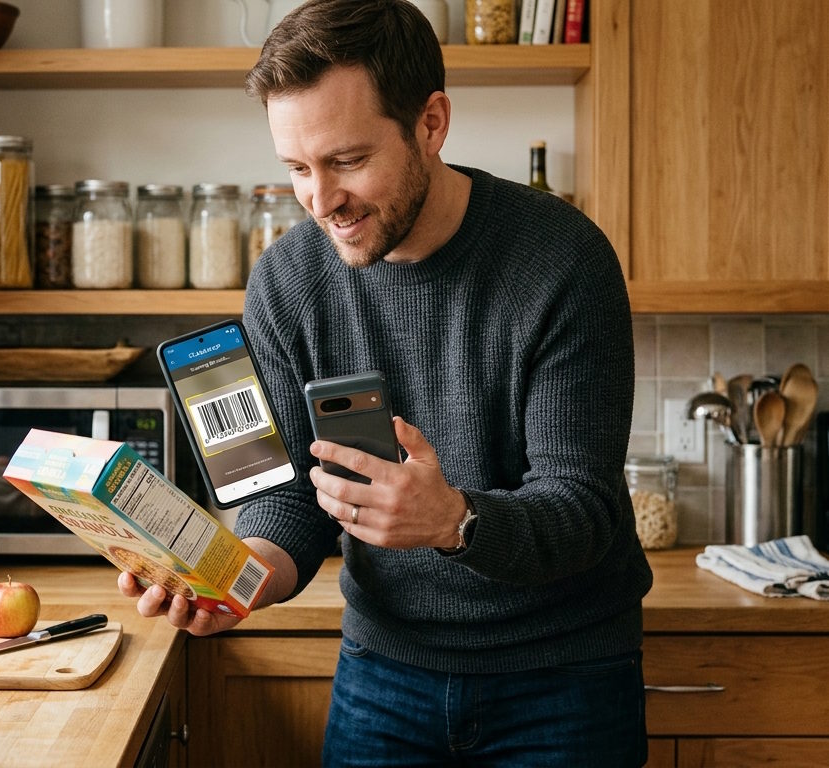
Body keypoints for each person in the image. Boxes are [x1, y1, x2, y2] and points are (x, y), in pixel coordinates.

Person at [119, 0, 653, 764]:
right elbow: (287, 495)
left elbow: (584, 510)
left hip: (562, 677)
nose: (321, 200)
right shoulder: (287, 279)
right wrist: (241, 577)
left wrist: (454, 521)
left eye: (346, 161)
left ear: (431, 124)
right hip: (385, 675)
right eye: (298, 169)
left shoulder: (561, 260)